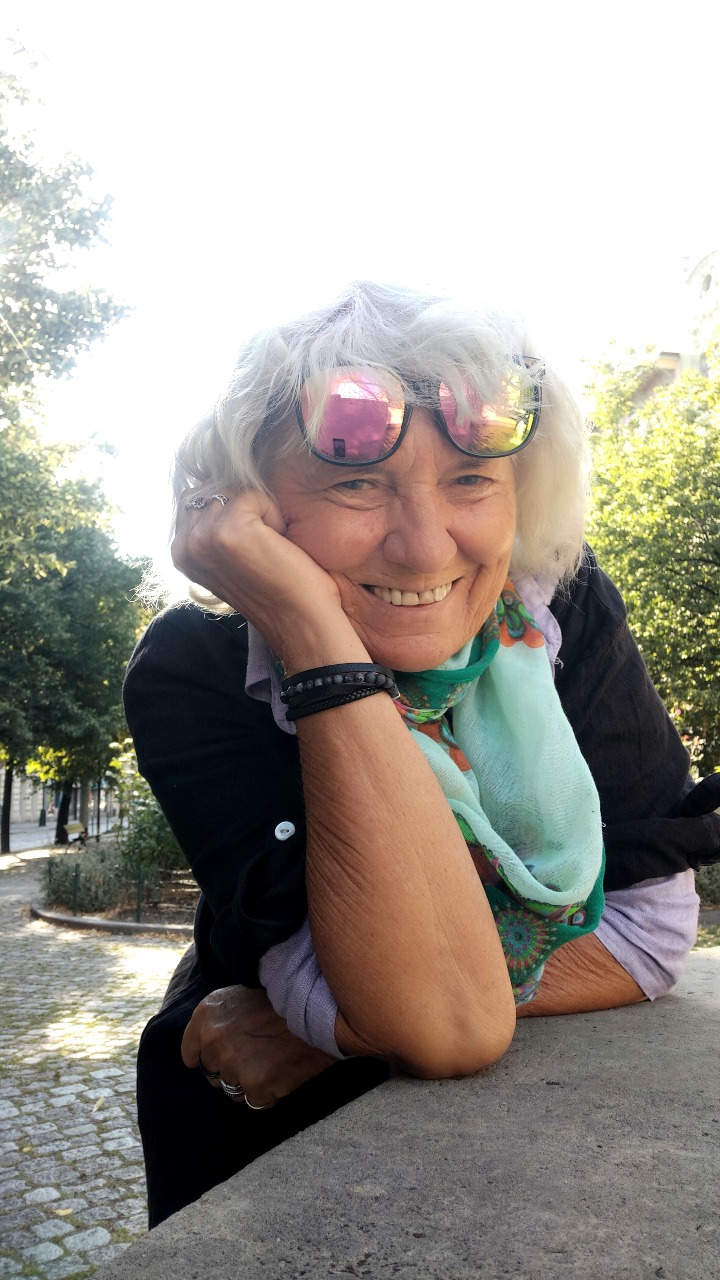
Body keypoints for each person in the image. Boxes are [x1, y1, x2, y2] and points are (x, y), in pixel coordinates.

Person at [124, 281, 720, 1227]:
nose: (423, 547)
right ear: (251, 507)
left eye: (471, 479)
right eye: (356, 483)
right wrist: (313, 636)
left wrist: (336, 1029)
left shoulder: (558, 608)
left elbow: (646, 936)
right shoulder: (197, 665)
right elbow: (448, 1025)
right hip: (265, 1159)